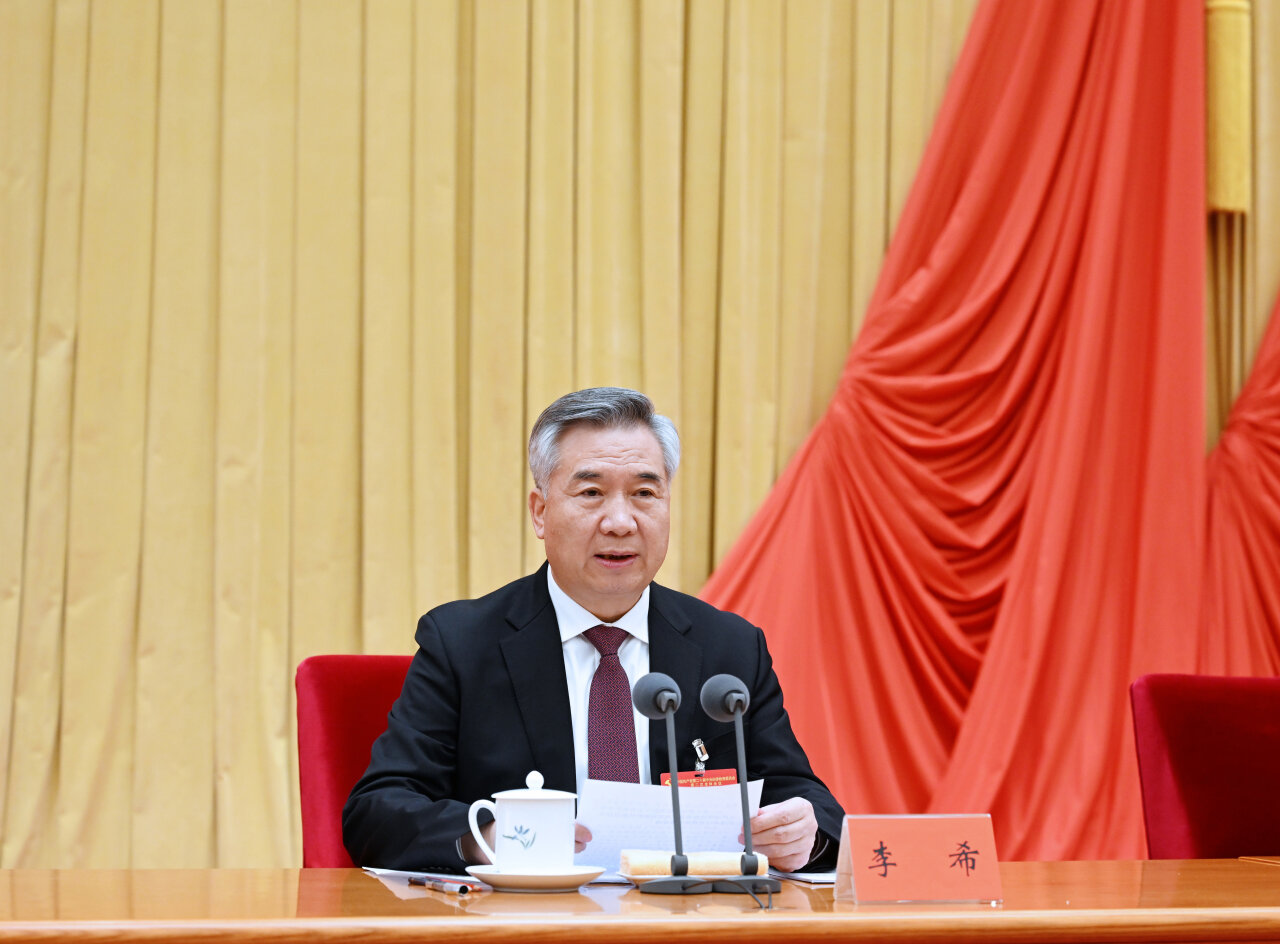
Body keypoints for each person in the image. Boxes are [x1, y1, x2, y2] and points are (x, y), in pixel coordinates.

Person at [343, 387, 844, 872]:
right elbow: (377, 811)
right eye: (591, 493)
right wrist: (498, 837)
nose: (620, 522)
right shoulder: (463, 643)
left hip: (683, 915)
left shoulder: (728, 648)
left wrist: (805, 834)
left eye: (644, 493)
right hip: (526, 917)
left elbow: (808, 802)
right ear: (540, 512)